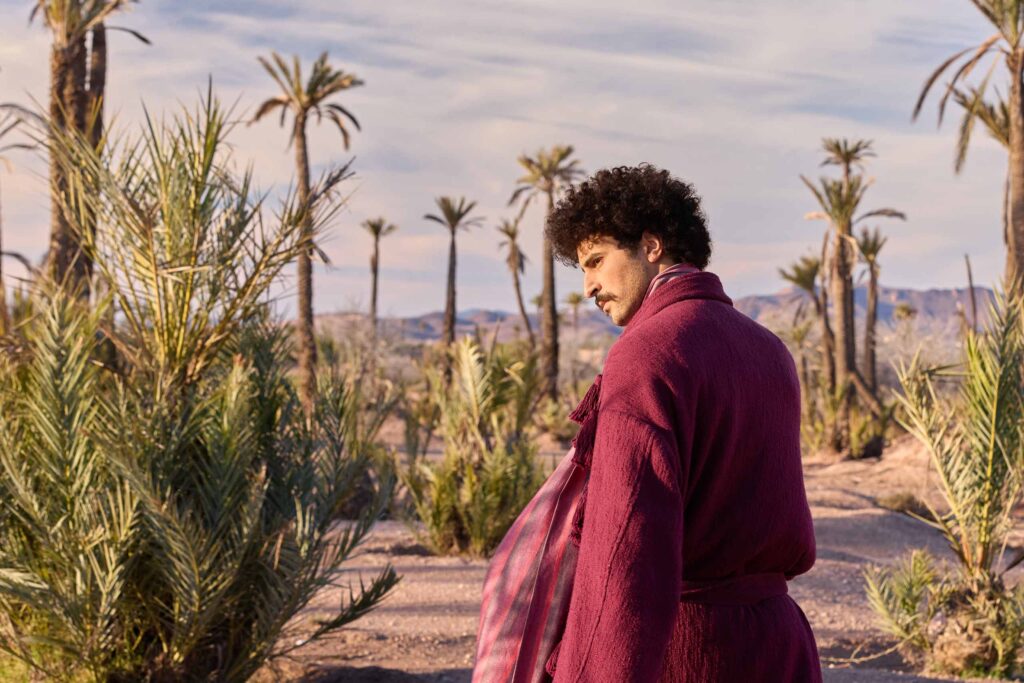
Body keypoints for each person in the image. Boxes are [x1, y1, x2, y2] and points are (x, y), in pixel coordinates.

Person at [540, 164, 821, 682]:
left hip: (688, 653)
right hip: (779, 647)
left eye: (597, 261)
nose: (588, 287)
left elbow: (626, 553)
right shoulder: (770, 350)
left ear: (651, 245)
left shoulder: (646, 354)